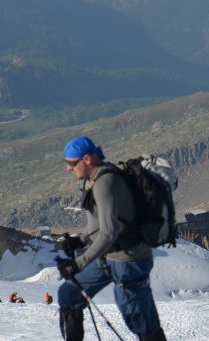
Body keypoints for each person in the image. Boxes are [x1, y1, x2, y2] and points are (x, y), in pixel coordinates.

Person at [55, 136, 166, 341]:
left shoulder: (104, 182)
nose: (69, 169)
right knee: (68, 295)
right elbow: (101, 225)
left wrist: (78, 264)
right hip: (109, 258)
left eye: (71, 163)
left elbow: (108, 232)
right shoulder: (94, 179)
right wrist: (79, 240)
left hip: (129, 261)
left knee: (141, 322)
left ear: (86, 159)